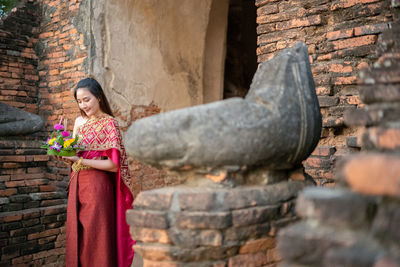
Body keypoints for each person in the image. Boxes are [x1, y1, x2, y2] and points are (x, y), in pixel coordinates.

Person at [58, 77, 134, 267]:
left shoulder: (110, 124)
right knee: (78, 236)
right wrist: (64, 156)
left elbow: (113, 165)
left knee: (95, 237)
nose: (83, 105)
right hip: (77, 183)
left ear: (98, 97)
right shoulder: (79, 122)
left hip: (97, 186)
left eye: (87, 99)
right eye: (79, 101)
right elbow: (74, 153)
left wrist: (80, 160)